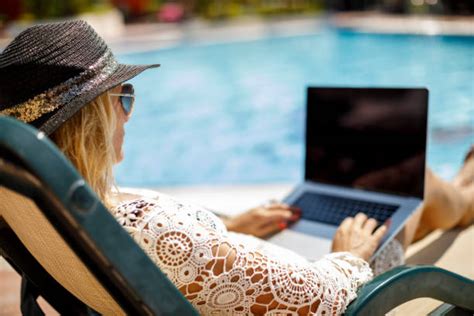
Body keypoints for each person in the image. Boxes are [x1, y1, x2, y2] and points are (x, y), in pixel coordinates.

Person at [0, 21, 472, 315]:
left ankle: (467, 183)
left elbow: (182, 259)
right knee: (416, 185)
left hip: (248, 269)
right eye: (122, 98)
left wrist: (233, 228)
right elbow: (320, 300)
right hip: (336, 287)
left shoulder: (54, 208)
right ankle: (468, 185)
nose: (128, 111)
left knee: (396, 186)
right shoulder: (148, 227)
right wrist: (349, 255)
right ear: (90, 122)